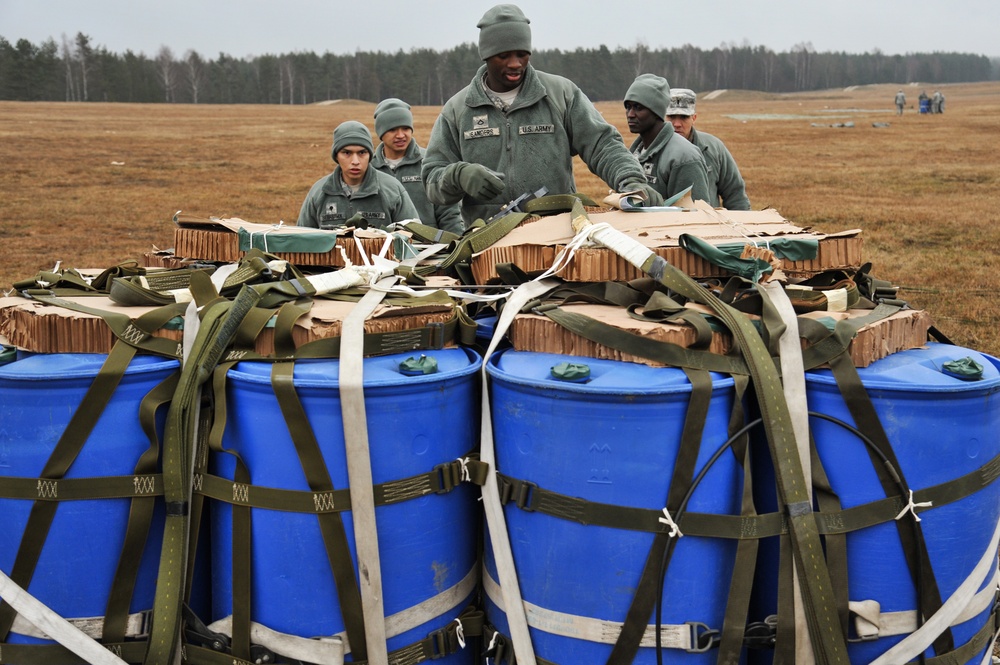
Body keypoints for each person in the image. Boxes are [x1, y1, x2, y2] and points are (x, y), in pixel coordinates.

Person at [421, 3, 661, 226]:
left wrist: (632, 182)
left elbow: (603, 145)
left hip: (556, 236)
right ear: (486, 55)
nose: (515, 63)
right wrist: (459, 175)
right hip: (488, 241)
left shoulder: (560, 95)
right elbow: (432, 179)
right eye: (504, 56)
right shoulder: (458, 109)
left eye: (522, 54)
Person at [298, 120, 419, 230]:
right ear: (336, 156)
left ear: (370, 155)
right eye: (347, 153)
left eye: (362, 152)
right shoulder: (319, 192)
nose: (355, 161)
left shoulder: (392, 190)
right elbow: (301, 238)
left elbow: (414, 237)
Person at [371, 98, 465, 235]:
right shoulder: (370, 169)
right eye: (392, 130)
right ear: (381, 133)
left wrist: (455, 243)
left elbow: (449, 213)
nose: (400, 135)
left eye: (405, 128)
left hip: (427, 245)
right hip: (383, 245)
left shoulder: (431, 163)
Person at [622, 74, 711, 206]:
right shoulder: (636, 152)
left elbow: (695, 213)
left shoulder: (684, 157)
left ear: (656, 111)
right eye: (628, 107)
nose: (630, 114)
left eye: (638, 108)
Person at [666, 88, 751, 210]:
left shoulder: (714, 148)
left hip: (707, 221)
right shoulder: (649, 150)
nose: (677, 124)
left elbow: (735, 194)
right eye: (671, 117)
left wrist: (741, 221)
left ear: (694, 118)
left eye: (684, 117)